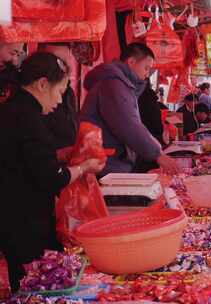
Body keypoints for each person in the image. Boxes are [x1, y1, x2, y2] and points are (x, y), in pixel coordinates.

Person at [0, 53, 105, 291]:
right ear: (42, 84)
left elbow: (23, 159)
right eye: (59, 92)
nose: (59, 101)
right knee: (33, 285)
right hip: (24, 219)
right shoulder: (29, 118)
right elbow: (53, 179)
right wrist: (84, 167)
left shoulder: (13, 110)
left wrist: (59, 156)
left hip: (12, 214)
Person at [80, 42, 179, 175]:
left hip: (109, 162)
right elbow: (128, 125)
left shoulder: (121, 85)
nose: (147, 74)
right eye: (146, 68)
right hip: (105, 164)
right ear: (131, 62)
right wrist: (157, 154)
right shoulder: (113, 84)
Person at [38, 43, 79, 150]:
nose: (66, 68)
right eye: (59, 62)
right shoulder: (31, 99)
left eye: (67, 61)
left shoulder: (69, 92)